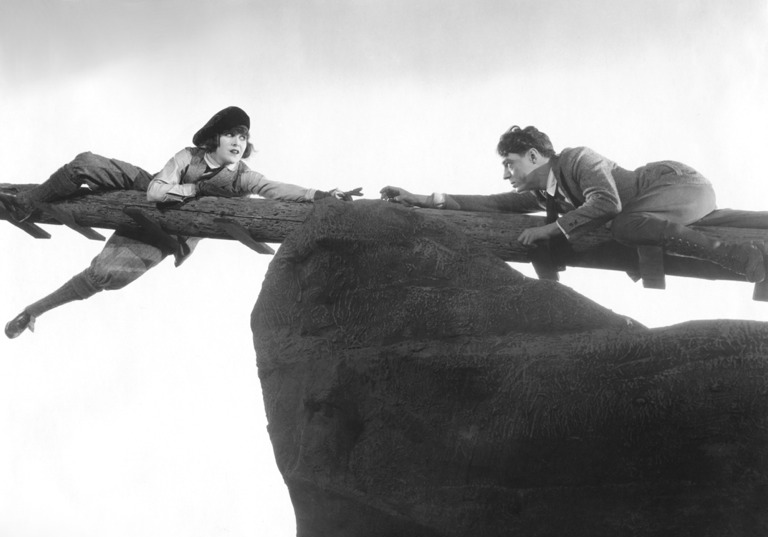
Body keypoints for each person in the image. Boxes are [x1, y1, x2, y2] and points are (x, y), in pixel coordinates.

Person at [0, 106, 360, 339]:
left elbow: (275, 188)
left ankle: (32, 311)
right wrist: (191, 187)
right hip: (149, 189)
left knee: (104, 276)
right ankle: (26, 204)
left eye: (243, 136)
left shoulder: (242, 178)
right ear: (213, 138)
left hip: (169, 231)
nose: (238, 141)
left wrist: (319, 195)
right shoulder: (188, 157)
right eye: (231, 134)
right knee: (86, 162)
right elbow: (157, 190)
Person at [381, 125, 766, 284]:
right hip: (681, 207)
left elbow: (607, 202)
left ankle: (744, 258)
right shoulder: (547, 191)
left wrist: (550, 228)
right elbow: (494, 204)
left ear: (533, 156)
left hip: (679, 184)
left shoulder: (580, 160)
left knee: (624, 225)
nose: (505, 175)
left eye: (509, 164)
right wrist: (425, 200)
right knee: (636, 224)